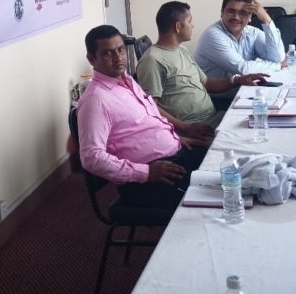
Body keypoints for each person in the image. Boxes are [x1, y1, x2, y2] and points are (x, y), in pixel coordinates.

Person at [76, 25, 214, 209]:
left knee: (224, 160)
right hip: (151, 179)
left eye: (120, 50)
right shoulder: (96, 100)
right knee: (220, 189)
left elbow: (144, 121)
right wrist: (147, 172)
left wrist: (178, 137)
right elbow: (91, 158)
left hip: (173, 157)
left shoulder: (126, 80)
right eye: (108, 54)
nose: (118, 58)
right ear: (92, 59)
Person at [136, 1, 267, 128]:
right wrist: (185, 128)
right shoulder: (152, 60)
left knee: (262, 122)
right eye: (189, 21)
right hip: (194, 127)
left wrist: (237, 80)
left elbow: (207, 83)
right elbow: (151, 107)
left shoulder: (182, 49)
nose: (192, 25)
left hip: (213, 117)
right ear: (178, 26)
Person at [194, 0, 284, 79]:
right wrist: (278, 66)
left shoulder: (252, 32)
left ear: (250, 17)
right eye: (231, 11)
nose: (236, 17)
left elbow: (277, 57)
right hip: (216, 92)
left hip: (240, 87)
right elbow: (243, 69)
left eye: (243, 13)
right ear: (222, 13)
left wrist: (266, 19)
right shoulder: (212, 35)